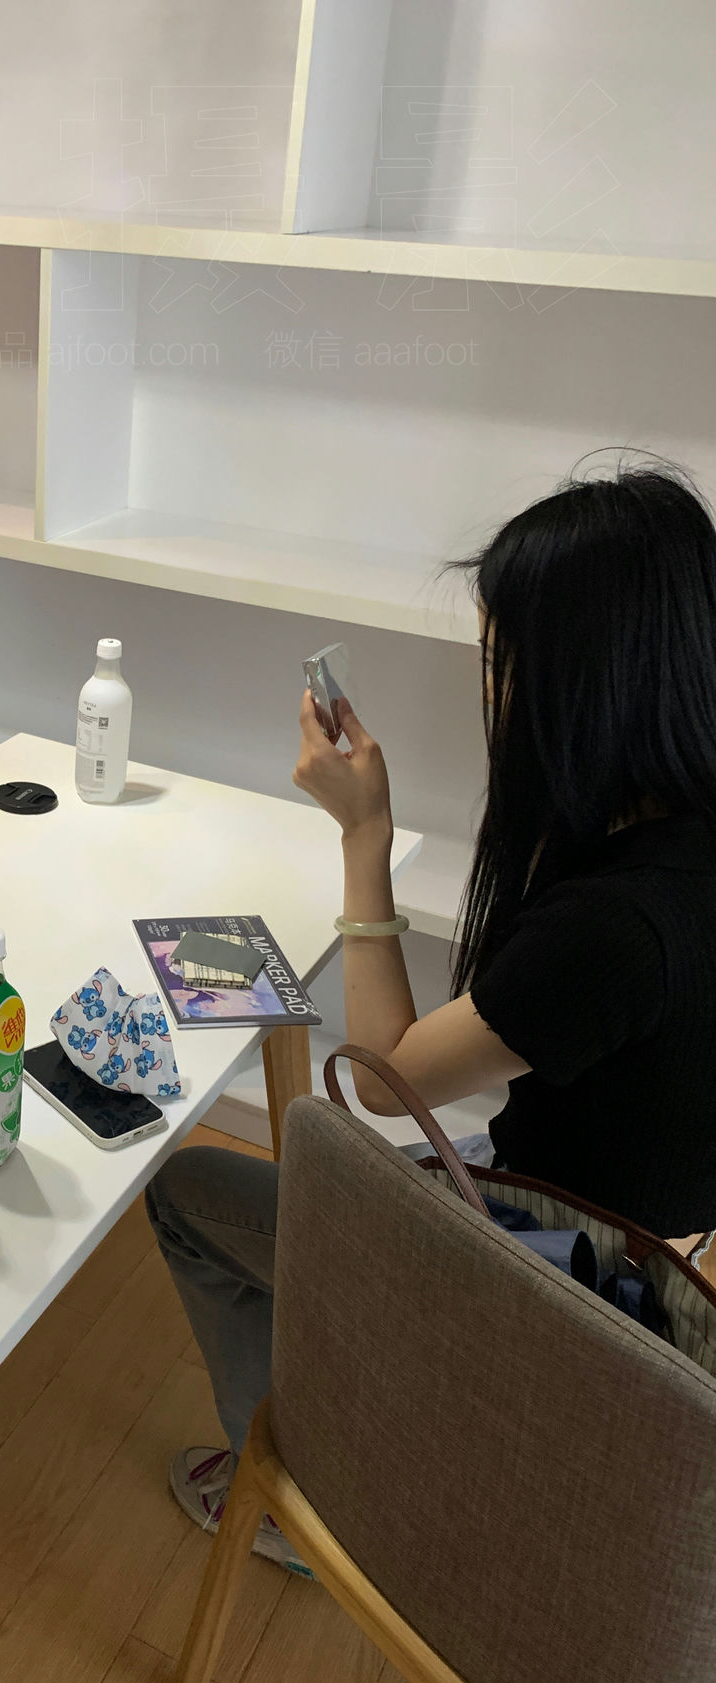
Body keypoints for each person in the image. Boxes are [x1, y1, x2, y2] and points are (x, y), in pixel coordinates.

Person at [149, 461, 716, 1574]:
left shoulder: (614, 928)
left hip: (565, 1279)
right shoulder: (673, 849)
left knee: (184, 1193)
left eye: (500, 661)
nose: (489, 688)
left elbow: (380, 1076)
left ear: (582, 681)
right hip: (656, 1241)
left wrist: (364, 833)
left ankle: (302, 1500)